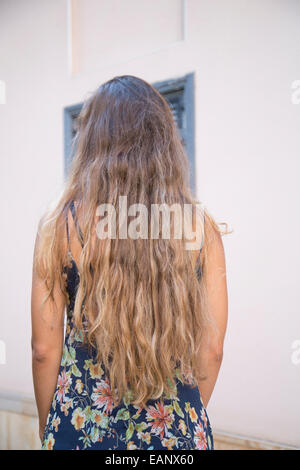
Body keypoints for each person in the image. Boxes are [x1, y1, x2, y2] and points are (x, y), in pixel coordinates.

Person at [31, 75, 228, 450]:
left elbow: (44, 351)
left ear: (90, 142)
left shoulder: (61, 228)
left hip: (82, 433)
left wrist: (52, 426)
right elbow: (212, 350)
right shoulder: (200, 229)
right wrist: (181, 418)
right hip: (176, 437)